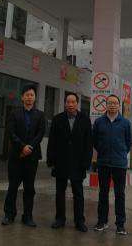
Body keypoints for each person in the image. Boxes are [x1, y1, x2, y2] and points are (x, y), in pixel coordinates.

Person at [46, 92, 93, 232]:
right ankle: (60, 219)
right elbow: (52, 141)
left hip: (78, 163)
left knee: (78, 193)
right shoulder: (58, 119)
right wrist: (51, 160)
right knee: (59, 192)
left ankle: (79, 221)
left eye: (73, 102)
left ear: (77, 103)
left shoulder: (85, 120)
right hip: (61, 161)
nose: (70, 104)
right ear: (65, 103)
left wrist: (86, 162)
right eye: (68, 102)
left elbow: (88, 143)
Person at [2, 84, 46, 227]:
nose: (29, 97)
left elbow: (40, 133)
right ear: (22, 97)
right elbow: (11, 132)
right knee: (13, 187)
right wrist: (22, 147)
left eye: (32, 95)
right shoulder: (14, 113)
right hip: (16, 156)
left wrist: (29, 148)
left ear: (35, 97)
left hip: (31, 157)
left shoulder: (40, 115)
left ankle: (27, 216)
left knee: (29, 188)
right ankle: (9, 215)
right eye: (27, 95)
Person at [92, 94, 132, 236]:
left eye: (115, 103)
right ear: (106, 105)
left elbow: (128, 143)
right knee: (103, 193)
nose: (112, 105)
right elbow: (95, 141)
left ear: (119, 105)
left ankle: (120, 225)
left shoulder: (125, 123)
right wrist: (103, 151)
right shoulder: (99, 122)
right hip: (103, 163)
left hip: (119, 164)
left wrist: (120, 154)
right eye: (110, 103)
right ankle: (102, 221)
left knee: (119, 194)